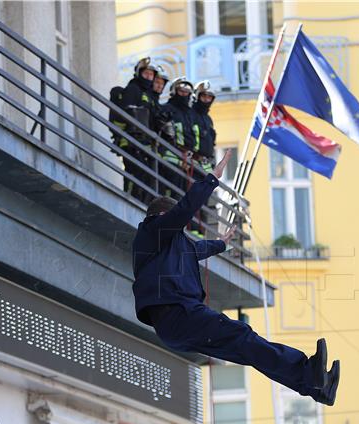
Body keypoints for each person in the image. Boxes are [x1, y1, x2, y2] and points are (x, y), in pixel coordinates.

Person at [131, 151, 340, 406]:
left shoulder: (174, 244)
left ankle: (317, 388)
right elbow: (183, 212)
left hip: (178, 324)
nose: (182, 228)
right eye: (175, 220)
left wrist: (221, 245)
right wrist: (211, 179)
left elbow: (197, 249)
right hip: (178, 315)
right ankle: (308, 371)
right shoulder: (152, 231)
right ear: (163, 216)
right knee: (243, 336)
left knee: (247, 349)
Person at [112, 57, 159, 204]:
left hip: (146, 143)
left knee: (147, 177)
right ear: (139, 73)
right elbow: (125, 114)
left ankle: (142, 204)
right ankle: (130, 201)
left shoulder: (149, 95)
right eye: (146, 74)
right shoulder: (133, 89)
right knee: (135, 173)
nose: (149, 77)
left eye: (151, 75)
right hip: (131, 141)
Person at [157, 77, 196, 202]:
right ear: (174, 91)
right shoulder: (166, 109)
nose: (184, 94)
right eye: (181, 91)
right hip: (170, 158)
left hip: (187, 161)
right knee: (170, 193)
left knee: (184, 195)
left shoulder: (190, 113)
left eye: (186, 92)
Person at [190, 80, 218, 234]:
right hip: (193, 161)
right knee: (193, 197)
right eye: (204, 97)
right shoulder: (191, 114)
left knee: (205, 201)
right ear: (197, 96)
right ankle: (193, 229)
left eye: (209, 97)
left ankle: (201, 232)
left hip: (206, 165)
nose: (207, 100)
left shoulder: (208, 119)